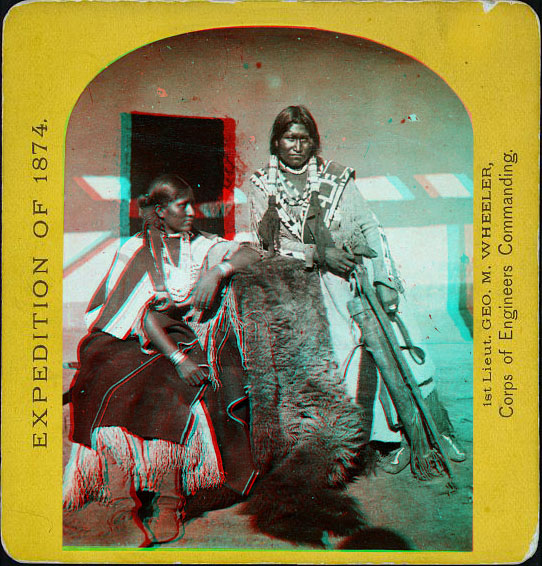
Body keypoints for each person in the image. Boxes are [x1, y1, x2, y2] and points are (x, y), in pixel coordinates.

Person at [247, 105, 465, 476]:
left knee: (399, 342)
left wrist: (384, 279)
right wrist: (319, 254)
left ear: (314, 142)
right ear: (276, 142)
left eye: (304, 139)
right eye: (289, 138)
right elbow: (264, 245)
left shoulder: (336, 179)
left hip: (351, 275)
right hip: (298, 283)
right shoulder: (259, 185)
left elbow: (369, 226)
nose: (297, 146)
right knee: (342, 352)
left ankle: (412, 434)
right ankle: (359, 442)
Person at [63, 174, 261, 546]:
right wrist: (178, 360)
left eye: (191, 203)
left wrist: (219, 272)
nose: (192, 212)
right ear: (159, 211)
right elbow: (140, 313)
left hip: (175, 337)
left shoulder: (202, 247)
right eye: (181, 206)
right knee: (110, 386)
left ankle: (171, 503)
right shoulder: (134, 248)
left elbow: (252, 254)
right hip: (120, 338)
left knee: (171, 389)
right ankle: (124, 509)